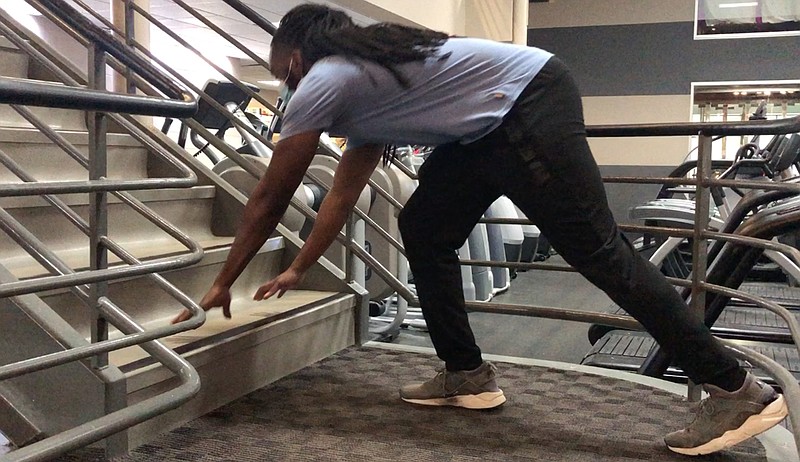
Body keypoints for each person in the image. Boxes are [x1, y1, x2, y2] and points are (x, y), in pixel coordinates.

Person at [172, 3, 788, 456]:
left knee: (602, 256)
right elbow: (341, 192)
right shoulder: (364, 93)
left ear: (295, 55)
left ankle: (737, 389)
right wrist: (300, 267)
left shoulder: (325, 79)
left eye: (283, 73)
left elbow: (269, 195)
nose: (285, 84)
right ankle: (466, 374)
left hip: (526, 104)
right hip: (489, 129)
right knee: (424, 227)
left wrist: (223, 280)